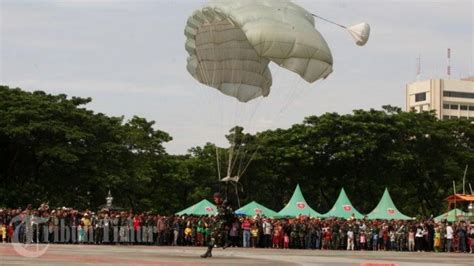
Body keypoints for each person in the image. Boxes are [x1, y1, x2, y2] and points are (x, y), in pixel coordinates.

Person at [200, 192, 234, 258]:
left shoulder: (225, 204)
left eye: (215, 198)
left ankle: (227, 241)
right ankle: (209, 252)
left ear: (219, 198)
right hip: (221, 222)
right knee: (213, 236)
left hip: (224, 222)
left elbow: (228, 215)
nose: (214, 200)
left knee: (214, 235)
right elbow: (219, 214)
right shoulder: (220, 205)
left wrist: (228, 224)